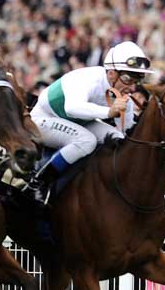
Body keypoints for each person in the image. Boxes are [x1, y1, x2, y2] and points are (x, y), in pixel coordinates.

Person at [19, 41, 154, 204]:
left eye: (138, 79)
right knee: (86, 140)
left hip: (77, 122)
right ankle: (38, 184)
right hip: (42, 120)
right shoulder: (90, 78)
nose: (133, 87)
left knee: (118, 138)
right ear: (111, 73)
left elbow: (127, 132)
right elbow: (71, 108)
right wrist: (109, 112)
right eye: (128, 78)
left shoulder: (124, 95)